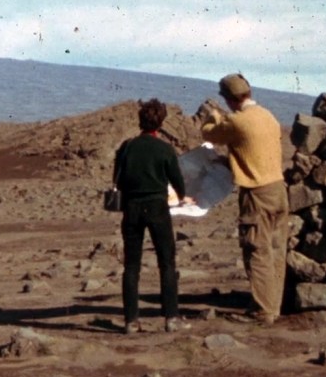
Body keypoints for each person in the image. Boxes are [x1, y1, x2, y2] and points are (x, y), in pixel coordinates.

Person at [201, 73, 288, 324]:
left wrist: (214, 116)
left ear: (229, 99)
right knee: (274, 250)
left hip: (257, 193)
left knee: (257, 250)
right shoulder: (267, 116)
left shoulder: (237, 121)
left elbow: (209, 134)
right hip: (278, 189)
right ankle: (273, 304)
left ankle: (263, 311)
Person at [113, 99, 192, 334]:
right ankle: (171, 318)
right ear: (161, 122)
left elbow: (117, 179)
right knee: (166, 262)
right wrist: (183, 197)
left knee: (131, 265)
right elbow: (177, 179)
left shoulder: (127, 147)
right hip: (157, 207)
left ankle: (131, 321)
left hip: (132, 208)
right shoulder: (165, 149)